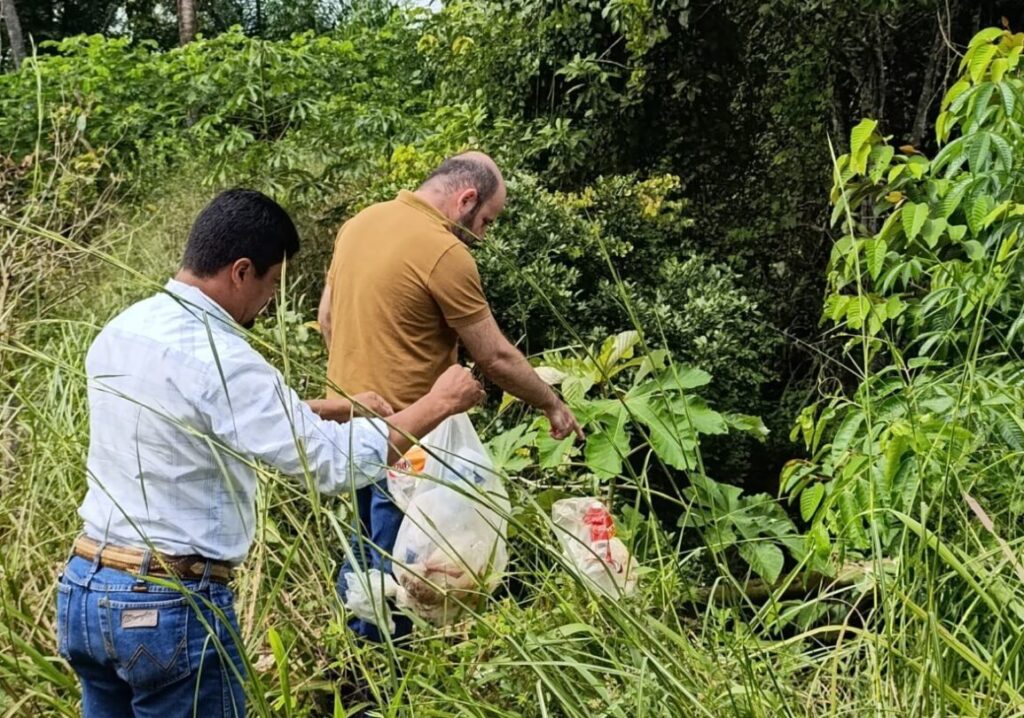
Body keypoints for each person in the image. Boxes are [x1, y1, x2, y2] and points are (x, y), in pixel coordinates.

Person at [55, 189, 484, 717]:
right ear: (241, 272)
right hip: (168, 605)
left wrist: (329, 409)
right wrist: (438, 403)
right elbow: (331, 465)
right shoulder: (225, 358)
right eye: (273, 283)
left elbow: (193, 418)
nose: (270, 301)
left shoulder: (124, 330)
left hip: (86, 589)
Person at [318, 152, 583, 641]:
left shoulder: (359, 224)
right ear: (466, 199)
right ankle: (383, 673)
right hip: (410, 440)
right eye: (486, 221)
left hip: (347, 425)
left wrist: (359, 388)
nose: (483, 235)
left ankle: (353, 660)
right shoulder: (443, 252)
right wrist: (552, 403)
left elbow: (327, 320)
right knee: (399, 563)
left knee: (363, 549)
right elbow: (495, 357)